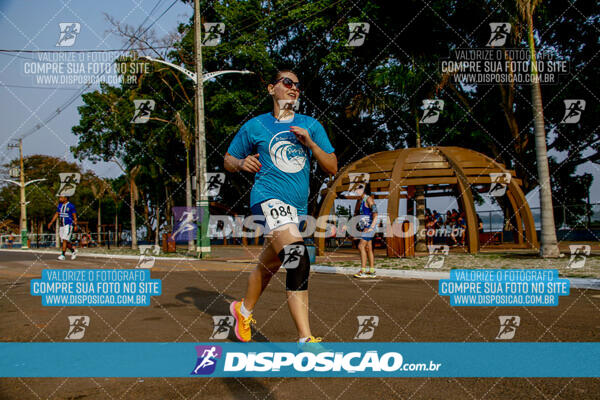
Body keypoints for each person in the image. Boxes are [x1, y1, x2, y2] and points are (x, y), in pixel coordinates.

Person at [224, 69, 337, 344]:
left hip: (296, 210)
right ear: (271, 89)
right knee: (297, 257)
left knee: (269, 265)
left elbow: (332, 166)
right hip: (266, 199)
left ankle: (243, 310)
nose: (294, 88)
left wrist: (310, 143)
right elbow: (228, 159)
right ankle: (305, 338)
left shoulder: (311, 125)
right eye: (287, 83)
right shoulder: (255, 126)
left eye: (298, 85)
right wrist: (240, 163)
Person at [353, 183, 378, 279]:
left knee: (360, 246)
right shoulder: (362, 200)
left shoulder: (369, 199)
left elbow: (375, 214)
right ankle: (371, 271)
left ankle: (363, 270)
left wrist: (371, 227)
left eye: (357, 189)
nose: (355, 191)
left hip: (369, 227)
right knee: (368, 248)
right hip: (365, 227)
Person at [48, 196, 78, 260]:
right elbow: (56, 214)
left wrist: (75, 225)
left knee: (65, 240)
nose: (60, 199)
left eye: (61, 198)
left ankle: (63, 255)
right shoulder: (60, 205)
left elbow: (74, 216)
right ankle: (73, 251)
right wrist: (51, 222)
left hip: (68, 225)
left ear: (66, 198)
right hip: (62, 226)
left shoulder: (71, 206)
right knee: (65, 241)